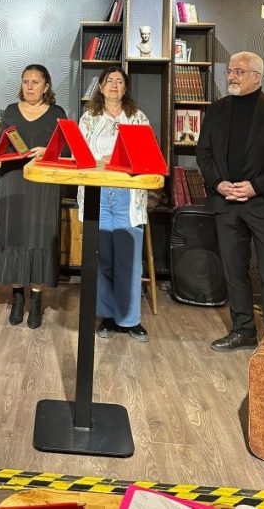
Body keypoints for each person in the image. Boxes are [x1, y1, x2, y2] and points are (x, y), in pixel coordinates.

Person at [196, 51, 264, 352]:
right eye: (230, 71)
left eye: (238, 72)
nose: (231, 76)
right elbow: (204, 152)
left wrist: (255, 187)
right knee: (234, 271)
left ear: (257, 76)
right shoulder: (216, 110)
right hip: (226, 202)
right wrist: (218, 183)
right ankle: (243, 331)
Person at [0, 65, 66, 329]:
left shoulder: (57, 113)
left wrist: (48, 150)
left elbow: (68, 149)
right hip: (13, 181)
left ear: (46, 86)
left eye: (35, 82)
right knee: (15, 236)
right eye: (25, 81)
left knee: (40, 237)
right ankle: (17, 298)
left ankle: (36, 299)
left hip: (44, 184)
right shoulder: (11, 111)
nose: (29, 86)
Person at [78, 65, 150, 342]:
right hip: (97, 193)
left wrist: (117, 160)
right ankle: (107, 316)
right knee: (102, 258)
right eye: (110, 80)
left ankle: (130, 320)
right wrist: (103, 161)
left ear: (125, 88)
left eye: (120, 81)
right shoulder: (89, 118)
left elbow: (146, 156)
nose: (114, 85)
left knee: (129, 261)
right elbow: (80, 155)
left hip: (127, 196)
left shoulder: (137, 118)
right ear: (101, 86)